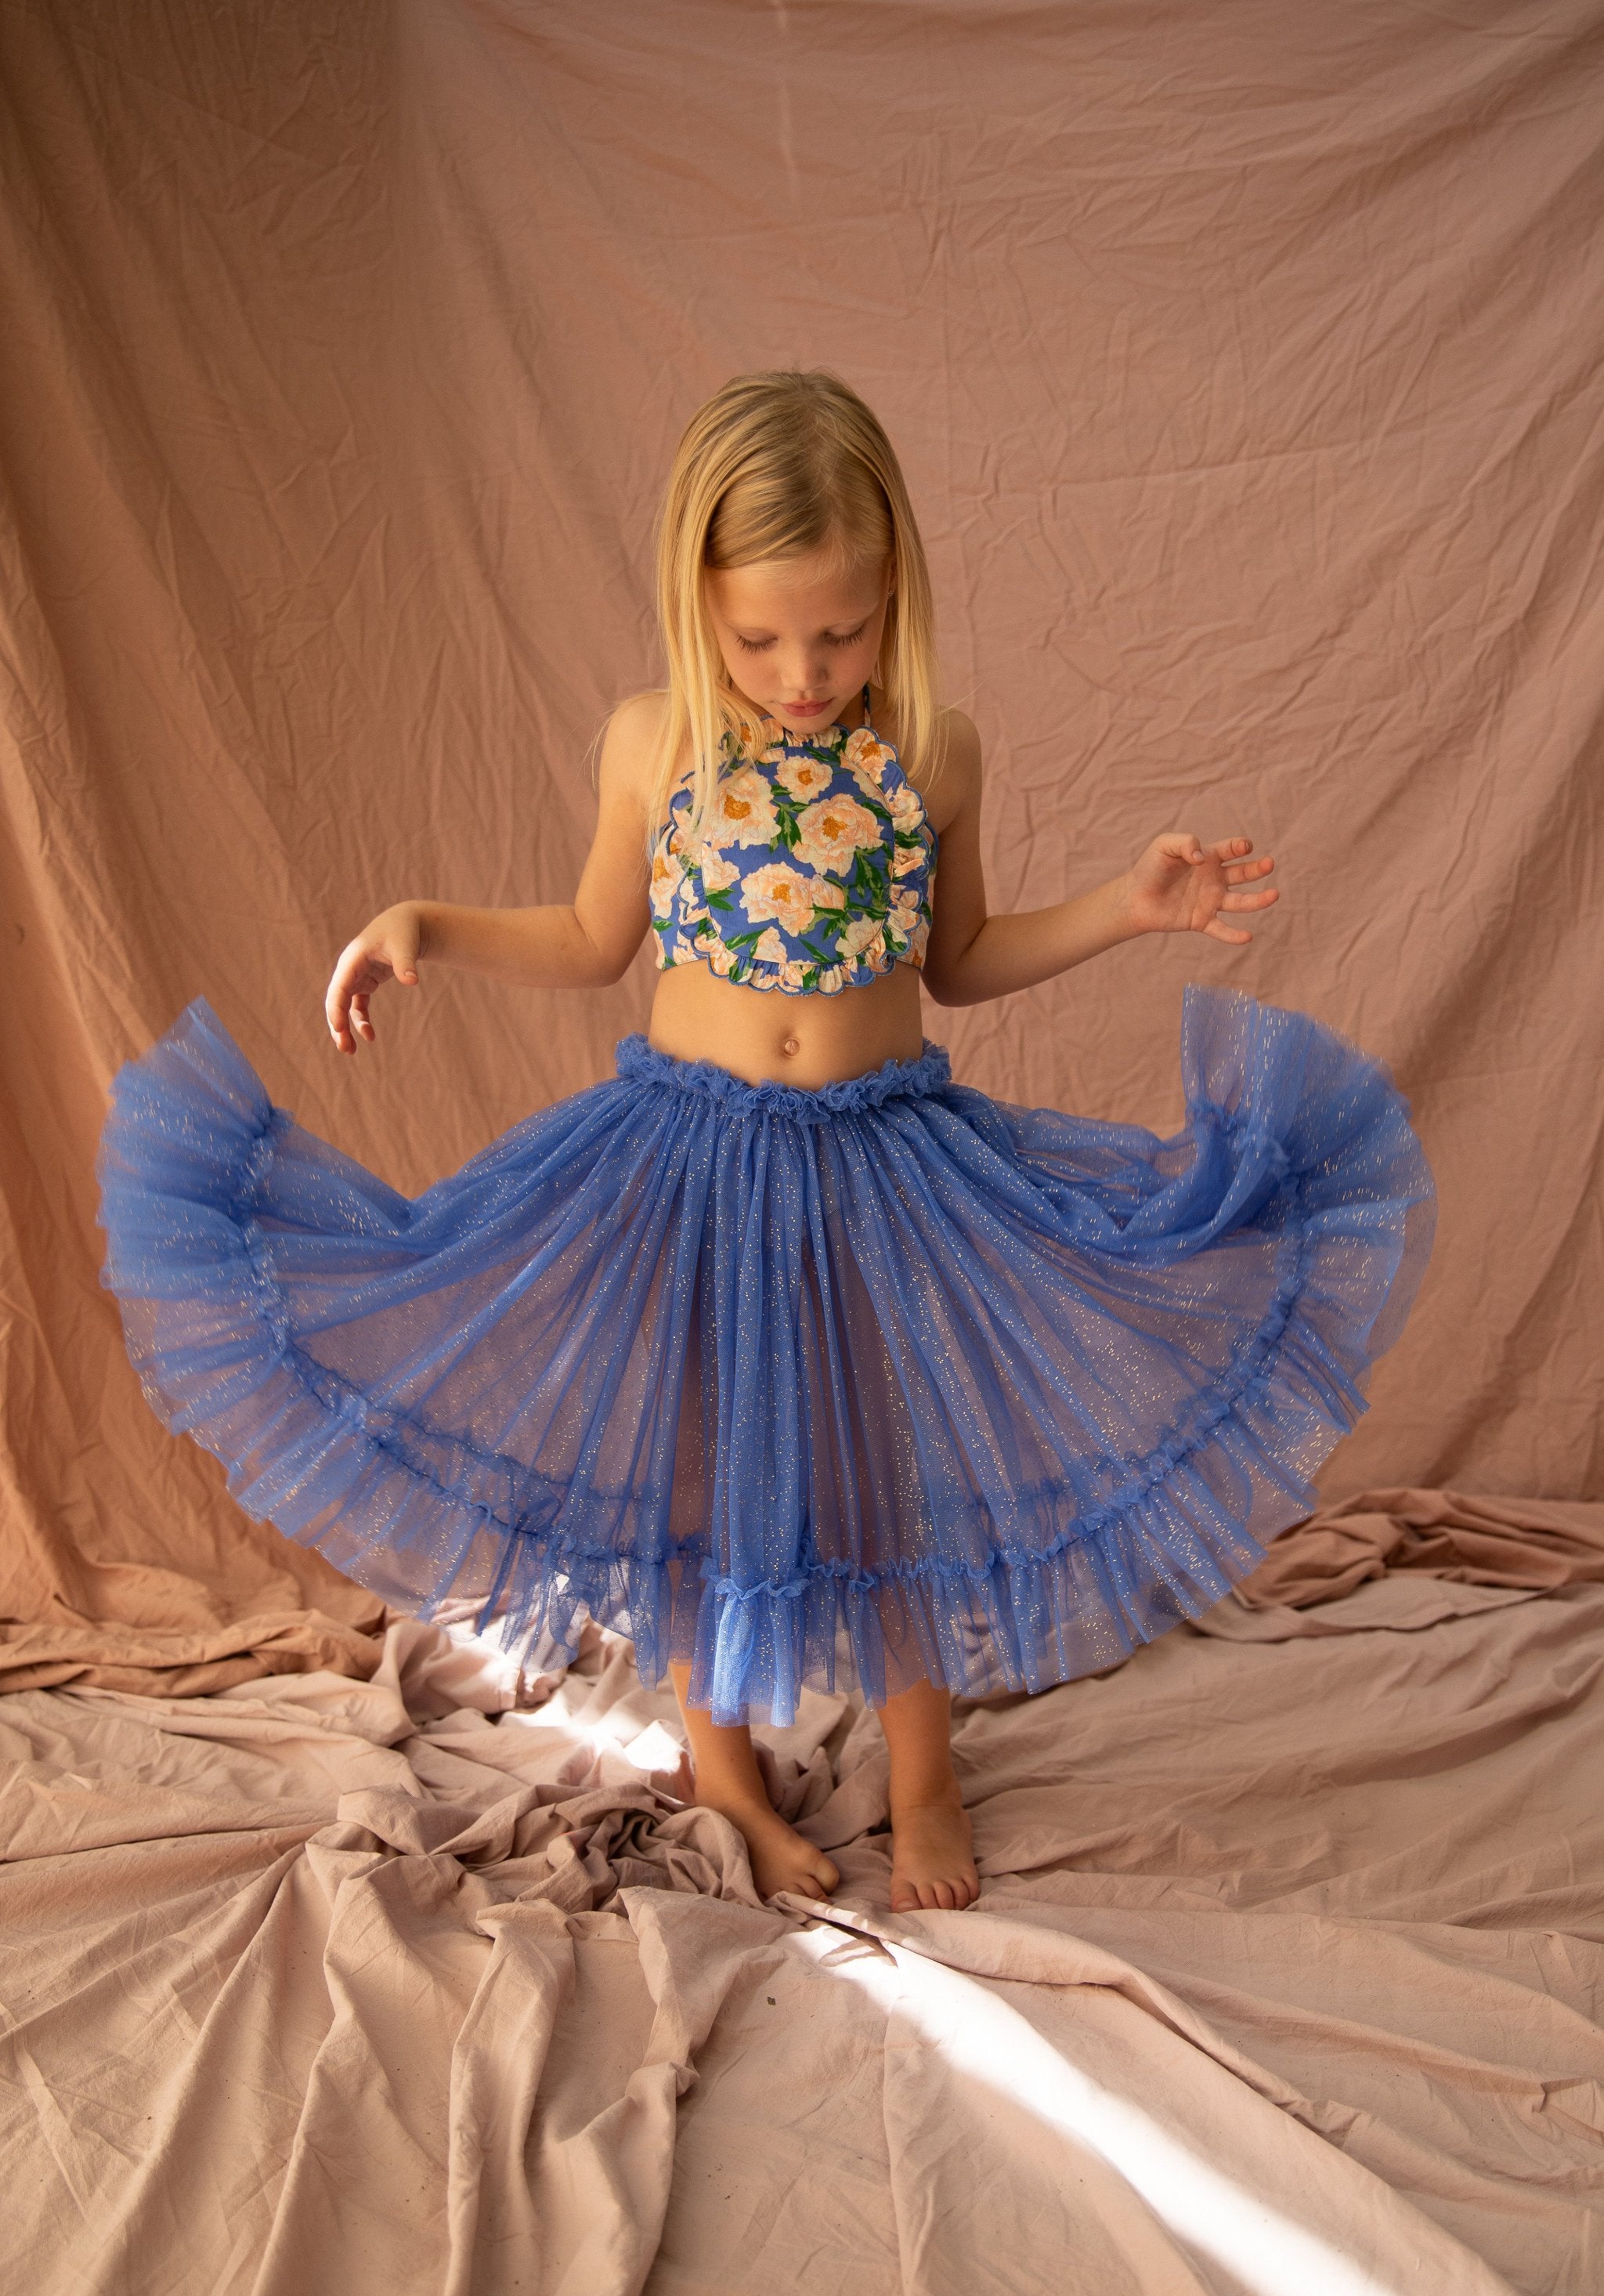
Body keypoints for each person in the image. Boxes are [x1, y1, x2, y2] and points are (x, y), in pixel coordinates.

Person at [96, 369, 1436, 1915]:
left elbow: (964, 958)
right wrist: (431, 927)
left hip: (878, 1162)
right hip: (682, 1158)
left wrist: (1127, 909)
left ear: (894, 603)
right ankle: (719, 1762)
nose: (802, 674)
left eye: (841, 633)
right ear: (698, 608)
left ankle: (924, 1767)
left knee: (886, 1468)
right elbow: (597, 937)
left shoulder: (933, 750)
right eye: (759, 638)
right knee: (694, 1473)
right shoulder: (657, 744)